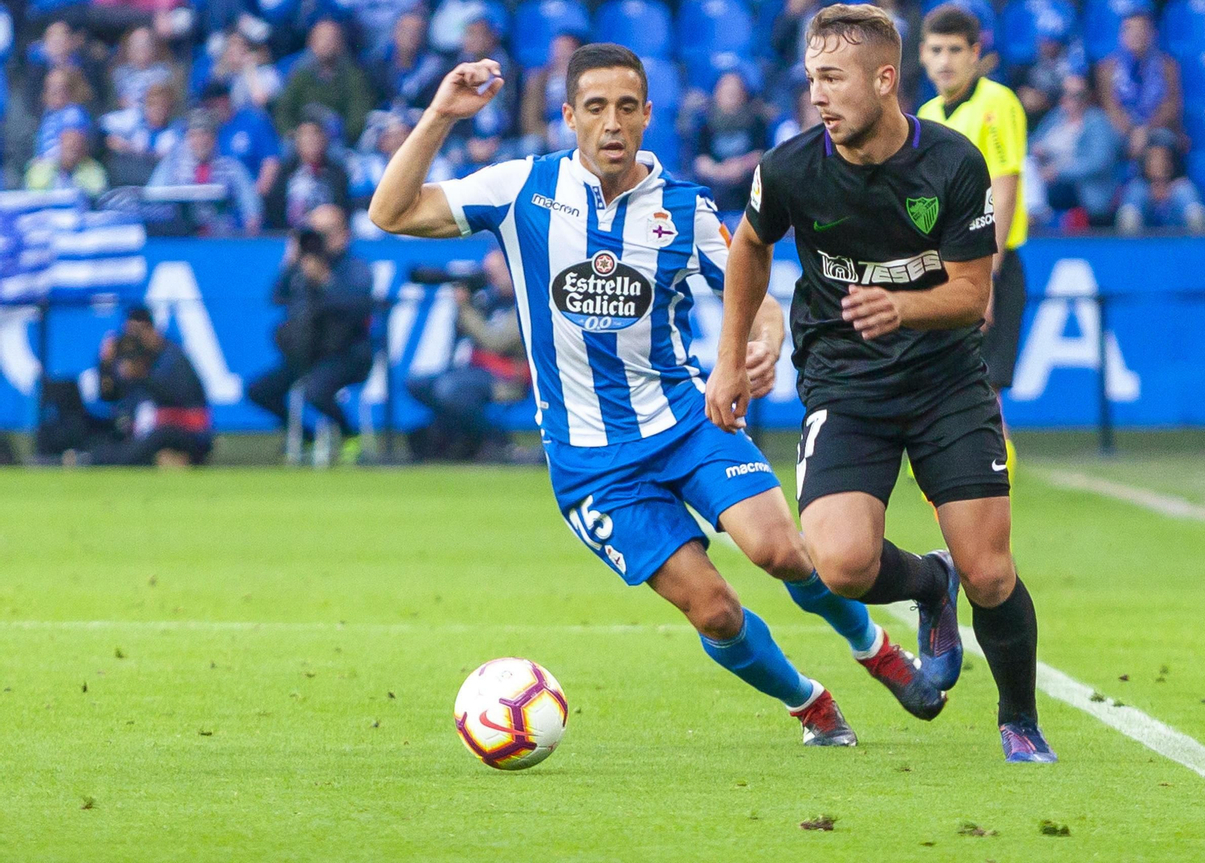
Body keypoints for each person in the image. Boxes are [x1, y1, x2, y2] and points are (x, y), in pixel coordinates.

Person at [369, 47, 945, 746]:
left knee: (783, 552)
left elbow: (751, 291)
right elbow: (391, 212)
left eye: (625, 107)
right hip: (592, 462)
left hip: (686, 422)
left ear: (646, 116)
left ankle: (875, 649)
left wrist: (759, 345)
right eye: (594, 107)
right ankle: (810, 704)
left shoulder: (685, 209)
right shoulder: (521, 188)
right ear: (568, 117)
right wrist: (440, 115)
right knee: (715, 611)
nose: (611, 123)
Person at [709, 4, 1056, 763]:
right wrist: (731, 357)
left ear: (885, 78)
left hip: (945, 384)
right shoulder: (791, 168)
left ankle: (1019, 719)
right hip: (844, 386)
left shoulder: (954, 165)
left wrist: (901, 306)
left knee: (991, 571)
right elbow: (749, 252)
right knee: (839, 564)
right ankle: (930, 584)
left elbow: (972, 295)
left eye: (833, 78)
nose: (819, 96)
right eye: (812, 80)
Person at [915, 3, 1030, 459]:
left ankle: (996, 511)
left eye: (955, 50)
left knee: (984, 398)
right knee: (942, 395)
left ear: (975, 53)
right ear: (922, 54)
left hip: (987, 268)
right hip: (940, 271)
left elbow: (1005, 191)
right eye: (936, 50)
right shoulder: (925, 114)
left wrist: (986, 279)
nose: (945, 60)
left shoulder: (996, 103)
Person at [247, 205, 375, 463]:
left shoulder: (354, 267)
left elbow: (357, 306)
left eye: (323, 233)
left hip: (347, 352)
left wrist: (326, 281)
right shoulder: (302, 267)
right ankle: (306, 437)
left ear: (342, 235)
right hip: (309, 352)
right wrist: (290, 263)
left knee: (316, 391)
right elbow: (277, 297)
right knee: (259, 391)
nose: (317, 240)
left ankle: (350, 435)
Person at [405, 251, 530, 460]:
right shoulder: (489, 300)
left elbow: (495, 342)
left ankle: (496, 440)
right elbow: (462, 334)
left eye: (496, 273)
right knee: (419, 384)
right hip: (476, 373)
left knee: (449, 390)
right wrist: (467, 303)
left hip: (508, 379)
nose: (491, 280)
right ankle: (460, 439)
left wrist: (465, 307)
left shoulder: (525, 305)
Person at [74, 306, 212, 466]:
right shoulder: (131, 358)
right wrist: (105, 366)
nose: (134, 338)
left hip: (183, 430)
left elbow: (181, 396)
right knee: (103, 431)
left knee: (157, 437)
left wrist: (143, 376)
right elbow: (109, 395)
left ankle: (92, 460)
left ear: (151, 330)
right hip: (140, 428)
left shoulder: (173, 358)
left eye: (138, 332)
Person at [147, 109, 264, 234]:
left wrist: (251, 220)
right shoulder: (171, 165)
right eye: (194, 135)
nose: (200, 141)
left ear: (214, 138)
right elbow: (153, 198)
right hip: (180, 238)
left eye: (204, 135)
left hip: (219, 238)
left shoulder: (230, 167)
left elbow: (251, 205)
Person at [1028, 72, 1120, 226]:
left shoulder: (1097, 122)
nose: (1071, 100)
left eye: (1078, 95)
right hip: (1047, 181)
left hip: (1081, 188)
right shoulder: (1056, 117)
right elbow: (1032, 144)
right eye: (1066, 94)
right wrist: (1037, 151)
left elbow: (1098, 162)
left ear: (1087, 97)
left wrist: (1058, 172)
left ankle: (1032, 220)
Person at [1095, 9, 1183, 161]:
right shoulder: (1107, 68)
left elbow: (1171, 106)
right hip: (1122, 129)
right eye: (1129, 30)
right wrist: (1132, 131)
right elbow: (1110, 108)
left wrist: (1145, 130)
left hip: (1156, 128)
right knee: (1103, 142)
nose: (1136, 35)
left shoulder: (1168, 65)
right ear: (1121, 35)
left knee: (1162, 142)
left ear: (1152, 34)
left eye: (1141, 29)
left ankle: (1156, 183)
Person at [275, 18, 374, 141]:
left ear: (340, 43)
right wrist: (293, 135)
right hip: (302, 140)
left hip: (339, 140)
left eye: (331, 39)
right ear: (311, 43)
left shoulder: (352, 75)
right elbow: (284, 110)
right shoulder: (300, 74)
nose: (326, 43)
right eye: (321, 38)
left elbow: (358, 113)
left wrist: (341, 135)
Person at [692, 68, 767, 211]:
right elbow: (699, 160)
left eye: (735, 89)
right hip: (715, 183)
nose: (731, 93)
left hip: (748, 183)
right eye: (726, 89)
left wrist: (741, 165)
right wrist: (718, 171)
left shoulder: (756, 122)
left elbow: (762, 154)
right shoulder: (704, 124)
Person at [265, 121, 353, 228]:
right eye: (306, 138)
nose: (312, 142)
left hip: (327, 233)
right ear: (297, 142)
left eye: (315, 137)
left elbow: (343, 206)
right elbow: (275, 206)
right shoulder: (285, 172)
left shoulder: (337, 173)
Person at [1114, 129, 1205, 232]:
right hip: (1141, 244)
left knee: (1186, 195)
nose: (1158, 164)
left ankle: (1198, 243)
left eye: (1163, 158)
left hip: (1180, 243)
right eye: (1153, 158)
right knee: (1133, 199)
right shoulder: (1137, 188)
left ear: (1173, 161)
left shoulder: (1183, 188)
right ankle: (1127, 245)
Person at [25, 122, 107, 197]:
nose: (72, 152)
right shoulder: (41, 167)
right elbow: (34, 193)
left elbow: (96, 193)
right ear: (60, 146)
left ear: (84, 149)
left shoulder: (94, 169)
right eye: (68, 147)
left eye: (76, 147)